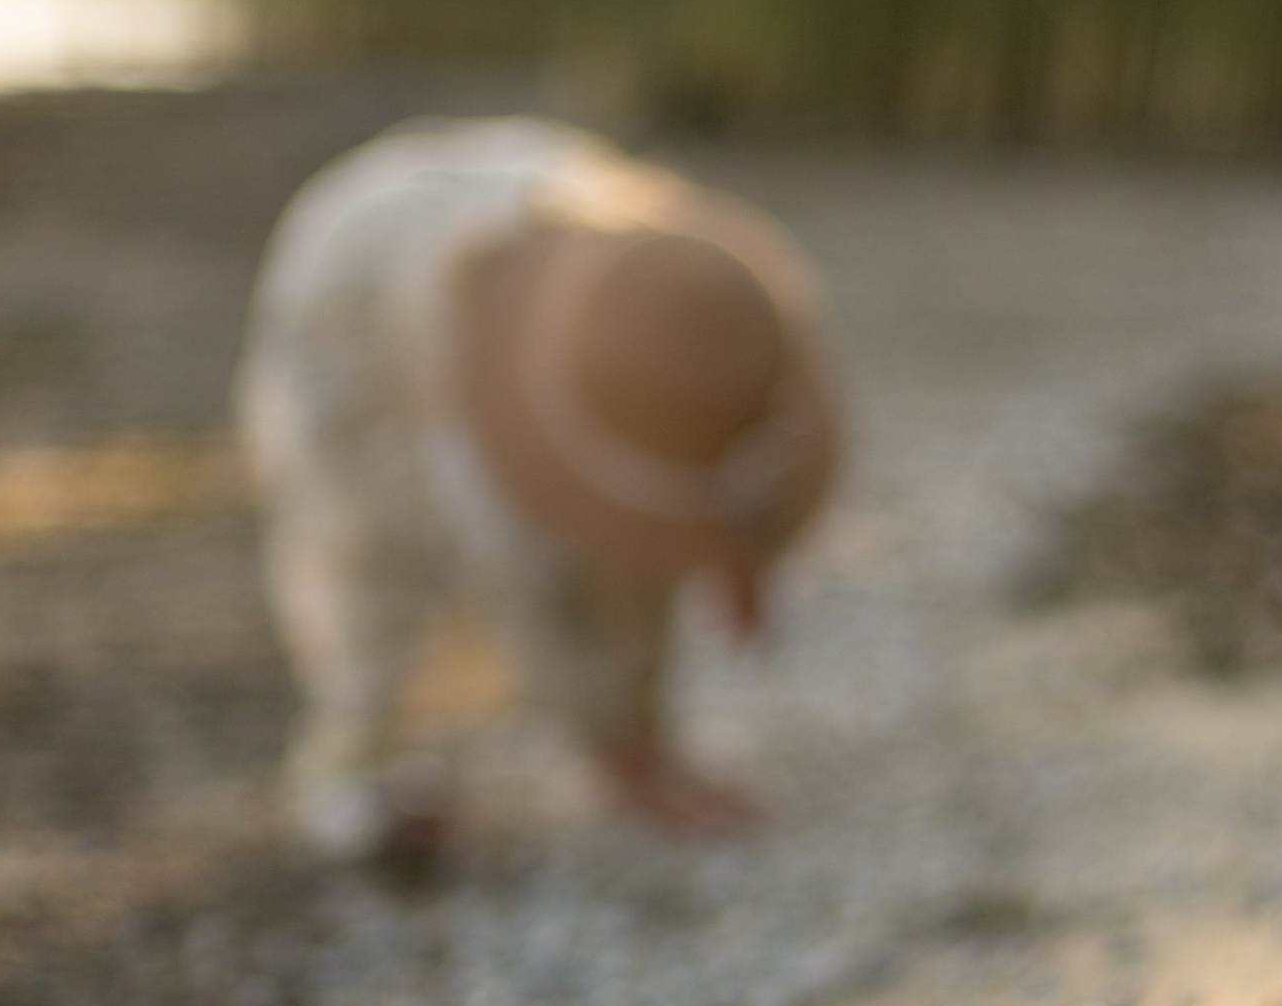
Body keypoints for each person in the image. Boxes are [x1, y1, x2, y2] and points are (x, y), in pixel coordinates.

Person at [238, 117, 839, 863]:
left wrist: (741, 553)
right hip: (362, 276)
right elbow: (530, 591)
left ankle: (641, 741)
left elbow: (706, 457)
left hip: (532, 197)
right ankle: (349, 761)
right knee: (369, 544)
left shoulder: (701, 314)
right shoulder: (467, 408)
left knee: (630, 513)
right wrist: (622, 750)